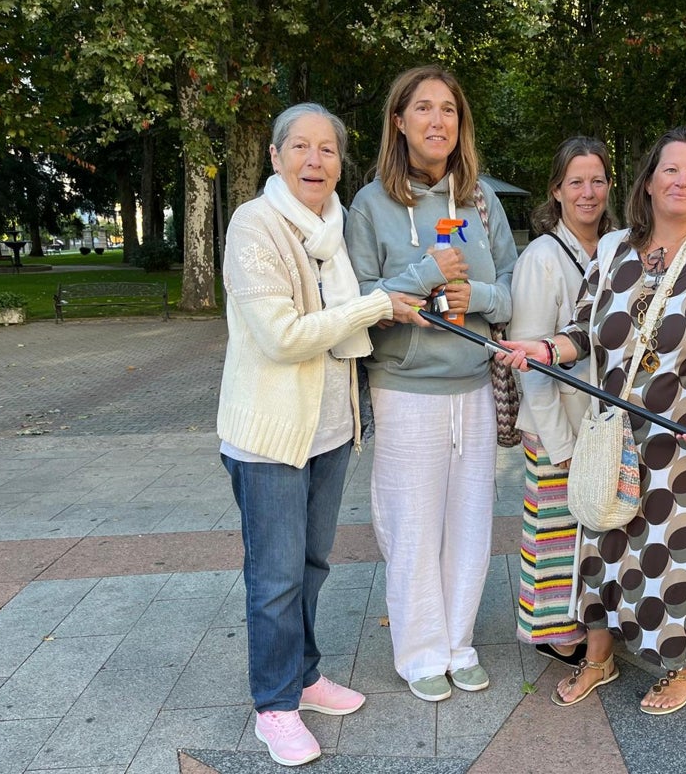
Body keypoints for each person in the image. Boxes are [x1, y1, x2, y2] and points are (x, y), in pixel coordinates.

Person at [497, 126, 686, 715]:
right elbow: (584, 330)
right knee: (604, 540)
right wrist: (544, 350)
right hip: (615, 432)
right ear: (647, 182)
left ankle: (685, 668)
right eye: (671, 169)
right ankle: (600, 655)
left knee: (674, 554)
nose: (682, 181)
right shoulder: (615, 249)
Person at [217, 103, 429, 766]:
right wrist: (376, 306)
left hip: (332, 431)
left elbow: (344, 324)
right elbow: (283, 338)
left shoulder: (331, 229)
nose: (316, 160)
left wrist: (388, 310)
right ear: (275, 158)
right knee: (274, 576)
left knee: (310, 567)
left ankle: (304, 677)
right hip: (271, 439)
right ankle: (274, 706)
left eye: (329, 150)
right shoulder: (255, 226)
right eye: (301, 148)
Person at [345, 65, 518, 703]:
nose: (437, 121)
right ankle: (420, 652)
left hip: (472, 382)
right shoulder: (369, 205)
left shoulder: (478, 200)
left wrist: (479, 295)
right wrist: (421, 274)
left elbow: (511, 287)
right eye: (423, 109)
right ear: (399, 121)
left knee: (470, 522)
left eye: (448, 110)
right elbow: (355, 295)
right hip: (405, 384)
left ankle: (458, 643)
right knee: (412, 524)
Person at [509, 136, 615, 666]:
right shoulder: (541, 257)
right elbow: (529, 360)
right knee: (553, 531)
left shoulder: (618, 250)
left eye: (597, 180)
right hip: (557, 423)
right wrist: (560, 442)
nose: (588, 192)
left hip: (603, 424)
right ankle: (556, 630)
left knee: (591, 530)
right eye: (576, 181)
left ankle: (592, 618)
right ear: (556, 191)